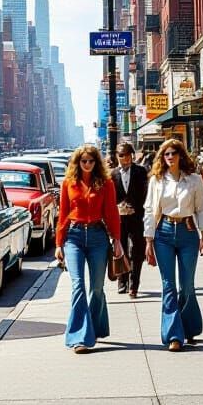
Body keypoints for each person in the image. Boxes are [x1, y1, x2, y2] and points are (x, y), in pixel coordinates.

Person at [54, 144, 123, 353]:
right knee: (78, 286)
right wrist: (59, 244)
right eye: (83, 161)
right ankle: (79, 337)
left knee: (97, 288)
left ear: (96, 163)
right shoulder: (68, 183)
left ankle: (95, 328)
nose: (87, 164)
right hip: (73, 236)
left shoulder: (106, 183)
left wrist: (117, 240)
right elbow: (63, 214)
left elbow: (111, 213)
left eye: (91, 161)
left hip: (97, 237)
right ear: (77, 162)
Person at [144, 138, 203, 352]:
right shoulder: (157, 180)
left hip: (188, 232)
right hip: (163, 232)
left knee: (187, 285)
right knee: (168, 285)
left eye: (173, 153)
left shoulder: (194, 179)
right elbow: (149, 209)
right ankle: (173, 335)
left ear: (181, 155)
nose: (170, 157)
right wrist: (148, 240)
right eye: (166, 154)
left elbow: (202, 208)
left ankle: (189, 327)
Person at [110, 141, 148, 297]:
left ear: (132, 156)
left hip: (136, 216)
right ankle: (122, 281)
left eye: (127, 155)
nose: (124, 158)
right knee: (120, 249)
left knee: (137, 251)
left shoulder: (140, 171)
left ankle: (134, 285)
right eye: (121, 155)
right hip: (119, 218)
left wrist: (134, 206)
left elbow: (145, 192)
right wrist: (118, 206)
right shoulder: (112, 174)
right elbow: (110, 196)